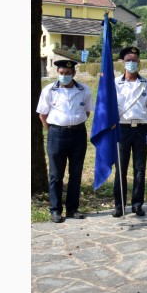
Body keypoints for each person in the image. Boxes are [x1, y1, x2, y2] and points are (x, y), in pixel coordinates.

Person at [37, 60, 94, 223]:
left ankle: (72, 208)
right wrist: (54, 129)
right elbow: (43, 115)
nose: (64, 76)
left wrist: (73, 123)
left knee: (75, 173)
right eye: (61, 73)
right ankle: (55, 209)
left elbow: (87, 112)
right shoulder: (49, 90)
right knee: (56, 174)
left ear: (74, 73)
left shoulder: (83, 90)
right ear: (57, 73)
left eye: (67, 74)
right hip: (57, 134)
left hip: (78, 133)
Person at [112, 46, 147, 218]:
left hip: (140, 129)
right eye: (128, 60)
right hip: (122, 129)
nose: (131, 63)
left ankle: (137, 204)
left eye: (134, 61)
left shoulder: (146, 83)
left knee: (139, 169)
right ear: (122, 63)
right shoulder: (115, 83)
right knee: (120, 169)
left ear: (139, 63)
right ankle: (119, 205)